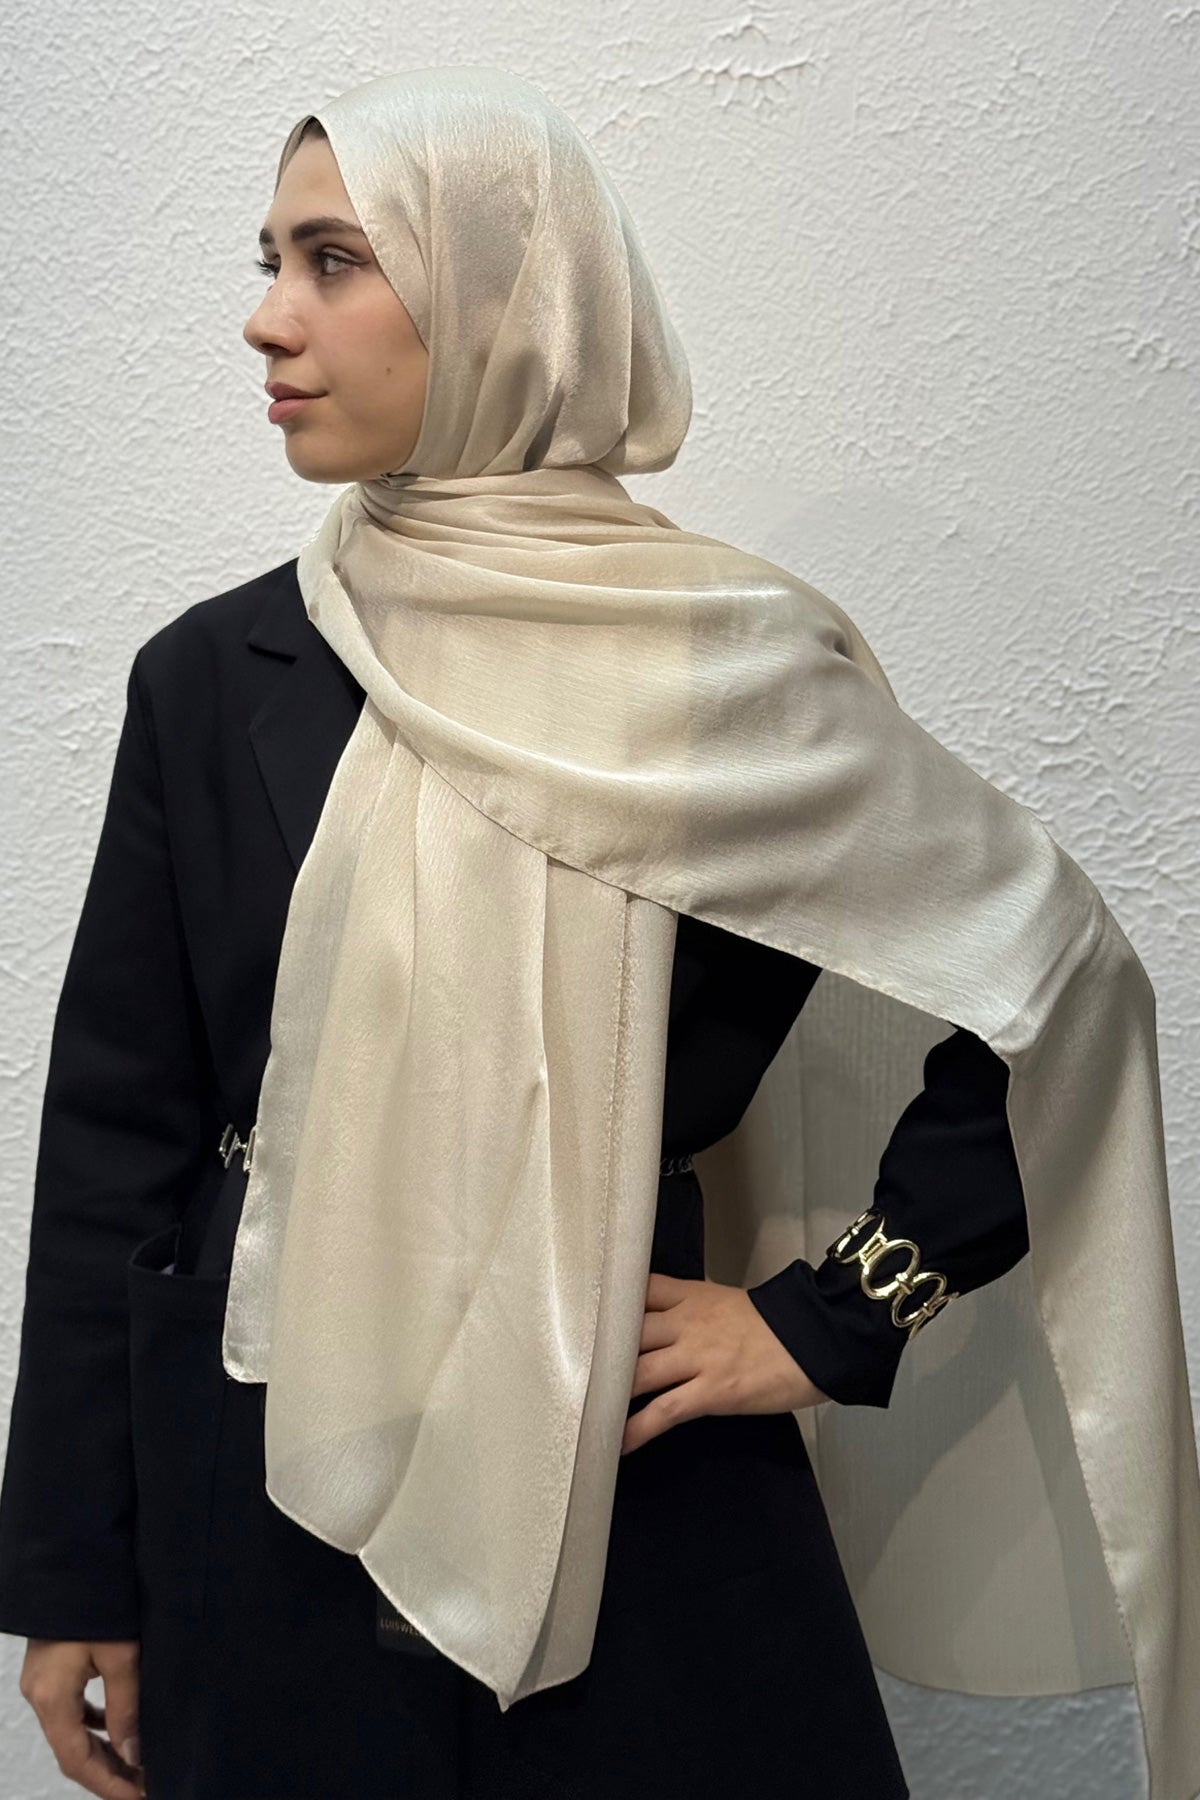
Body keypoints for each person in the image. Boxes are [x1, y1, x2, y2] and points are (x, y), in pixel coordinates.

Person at [0, 65, 1197, 1800]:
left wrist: (833, 1316)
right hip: (262, 1479)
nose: (268, 319)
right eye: (270, 260)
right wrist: (75, 1569)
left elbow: (1062, 988)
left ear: (509, 292)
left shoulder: (719, 669)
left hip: (638, 1475)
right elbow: (120, 1132)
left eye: (335, 261)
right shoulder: (211, 676)